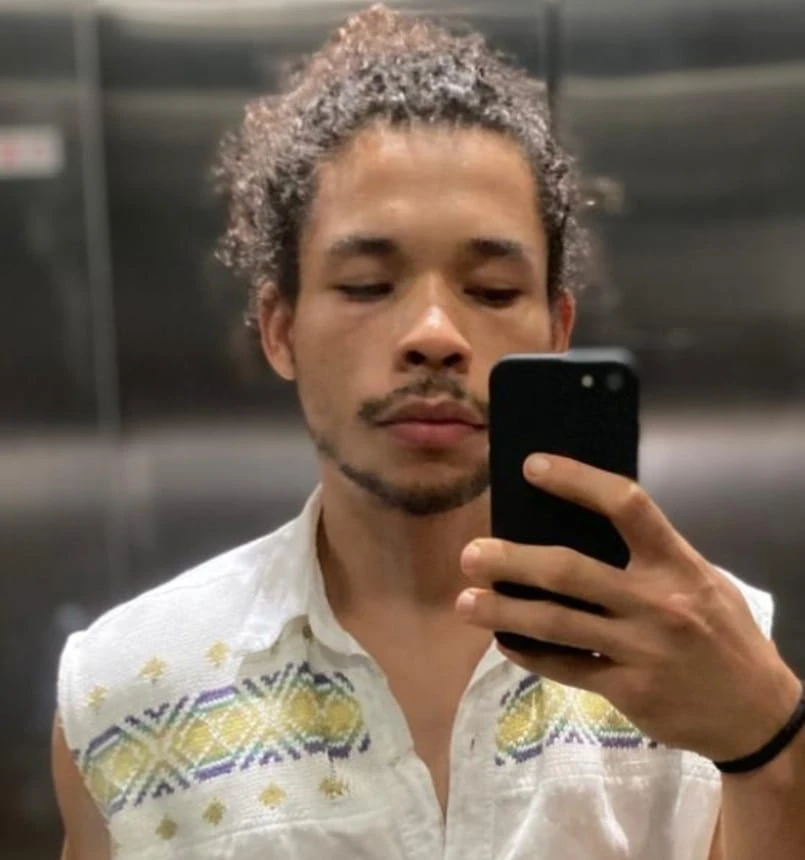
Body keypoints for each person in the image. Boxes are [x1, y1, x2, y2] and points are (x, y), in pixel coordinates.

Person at [52, 5, 805, 859]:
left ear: (556, 332)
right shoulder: (124, 689)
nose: (434, 334)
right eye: (367, 285)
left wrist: (768, 743)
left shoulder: (705, 648)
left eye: (491, 291)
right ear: (279, 329)